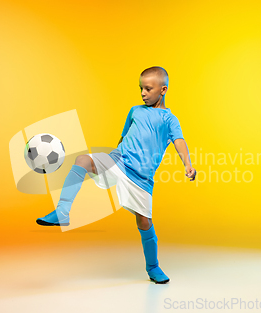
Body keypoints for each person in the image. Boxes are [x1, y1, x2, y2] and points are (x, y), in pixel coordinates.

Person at [36, 66, 196, 284]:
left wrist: (187, 164)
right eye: (141, 88)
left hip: (141, 178)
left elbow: (179, 141)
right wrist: (108, 162)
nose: (143, 93)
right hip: (119, 161)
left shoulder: (169, 119)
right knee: (82, 160)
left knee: (144, 222)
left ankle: (153, 267)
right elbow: (123, 137)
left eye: (148, 89)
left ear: (163, 90)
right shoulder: (135, 111)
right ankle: (62, 211)